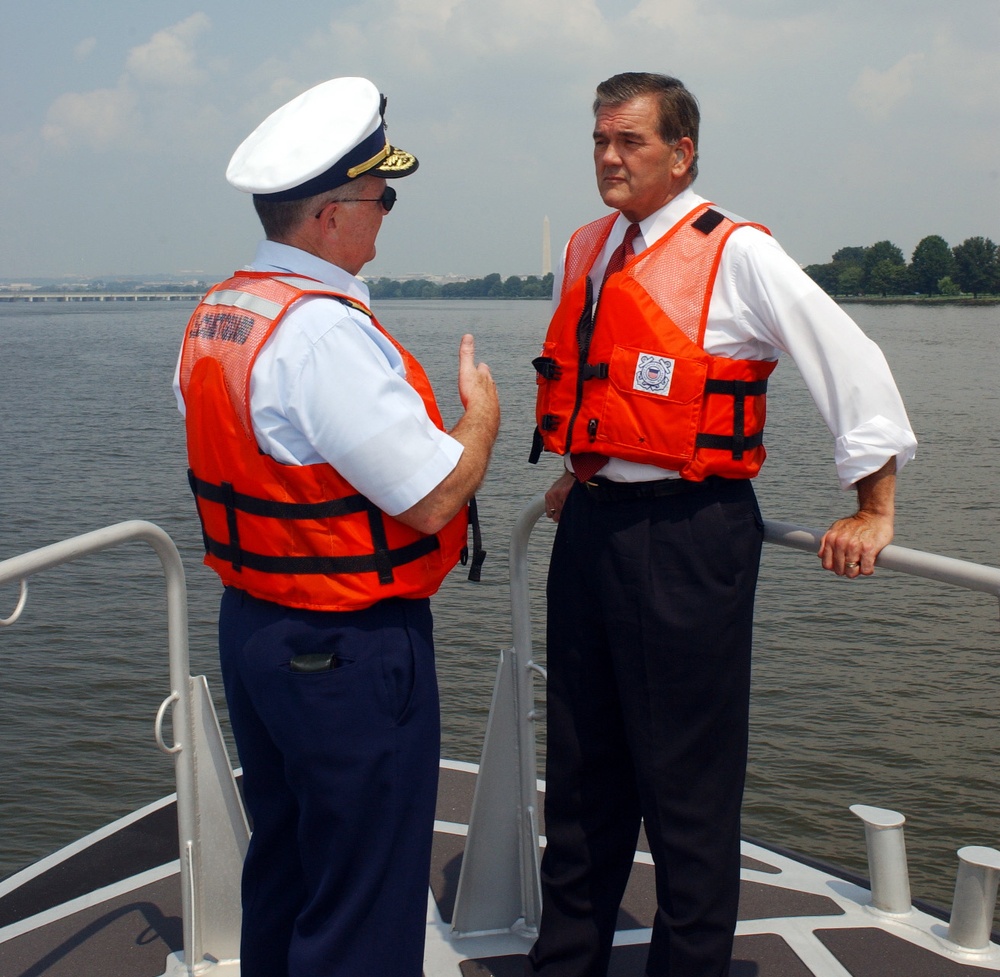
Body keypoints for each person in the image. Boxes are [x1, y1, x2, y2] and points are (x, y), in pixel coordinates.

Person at [526, 72, 916, 977]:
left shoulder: (736, 253)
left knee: (687, 789)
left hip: (688, 537)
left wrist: (875, 506)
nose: (610, 158)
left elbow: (849, 362)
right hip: (592, 531)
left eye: (630, 141)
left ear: (681, 152)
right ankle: (564, 964)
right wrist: (584, 471)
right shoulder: (587, 247)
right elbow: (597, 380)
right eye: (599, 140)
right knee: (581, 776)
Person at [173, 77, 500, 977]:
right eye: (379, 197)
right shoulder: (320, 333)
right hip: (345, 646)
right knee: (364, 892)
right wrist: (481, 416)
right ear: (328, 214)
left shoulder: (220, 315)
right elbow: (434, 497)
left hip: (255, 627)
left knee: (285, 861)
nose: (387, 216)